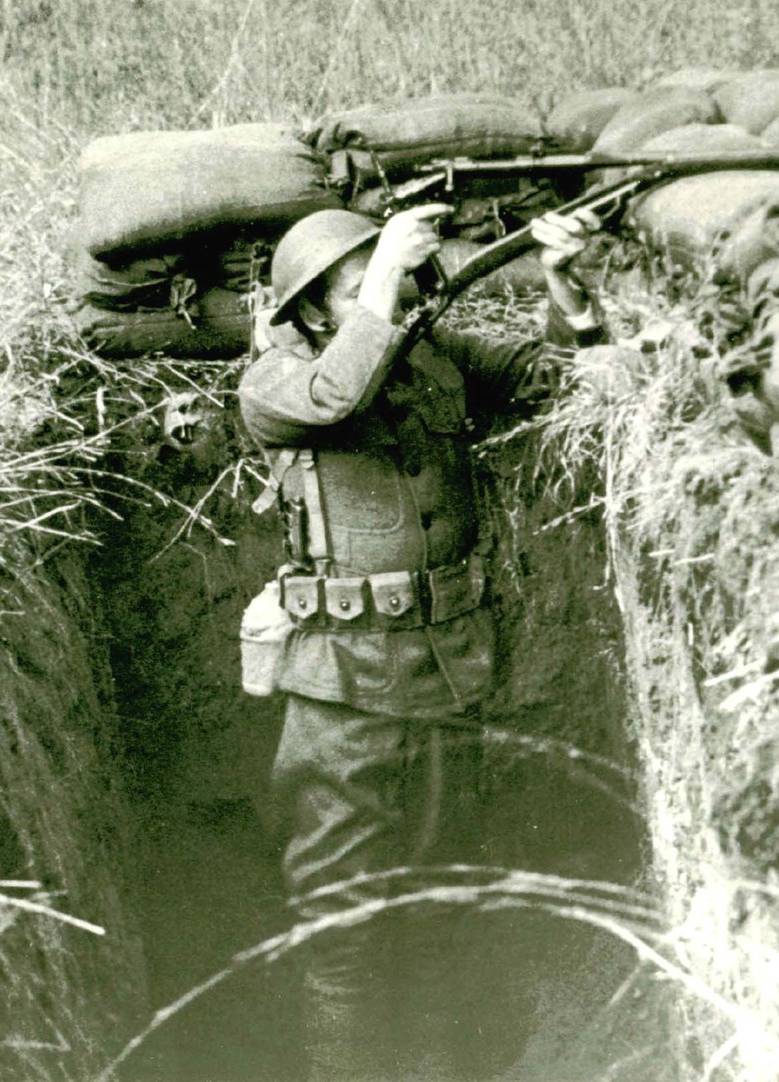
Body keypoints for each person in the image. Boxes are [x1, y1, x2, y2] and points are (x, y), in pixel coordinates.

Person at [238, 202, 606, 1081]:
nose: (388, 282)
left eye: (387, 266)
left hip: (447, 669)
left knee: (443, 910)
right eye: (356, 274)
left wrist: (566, 291)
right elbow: (336, 396)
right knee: (341, 928)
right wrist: (385, 278)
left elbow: (556, 379)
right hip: (341, 685)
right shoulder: (273, 380)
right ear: (313, 308)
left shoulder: (433, 362)